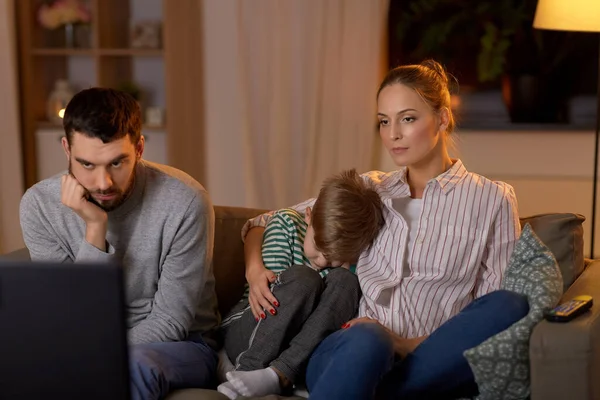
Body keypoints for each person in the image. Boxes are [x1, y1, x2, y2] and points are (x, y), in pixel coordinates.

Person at [241, 60, 529, 399]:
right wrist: (254, 270)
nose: (393, 134)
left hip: (431, 355)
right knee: (369, 340)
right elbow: (259, 222)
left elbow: (486, 307)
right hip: (352, 348)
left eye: (407, 118)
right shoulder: (368, 188)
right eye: (383, 121)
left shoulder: (493, 199)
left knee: (509, 305)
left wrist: (403, 344)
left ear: (442, 118)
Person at [19, 88, 219, 400]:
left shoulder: (184, 200)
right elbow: (75, 315)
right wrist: (95, 226)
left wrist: (89, 356)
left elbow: (171, 322)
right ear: (66, 149)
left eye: (117, 163)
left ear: (139, 148)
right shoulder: (39, 205)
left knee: (132, 366)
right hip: (86, 344)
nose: (103, 183)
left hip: (182, 345)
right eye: (87, 164)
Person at [217, 169, 385, 399]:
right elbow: (274, 298)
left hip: (297, 349)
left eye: (335, 257)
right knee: (304, 278)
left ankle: (281, 375)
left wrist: (344, 269)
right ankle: (246, 370)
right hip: (252, 324)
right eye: (318, 247)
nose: (324, 261)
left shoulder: (350, 260)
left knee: (346, 281)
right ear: (308, 216)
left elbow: (329, 316)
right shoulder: (286, 224)